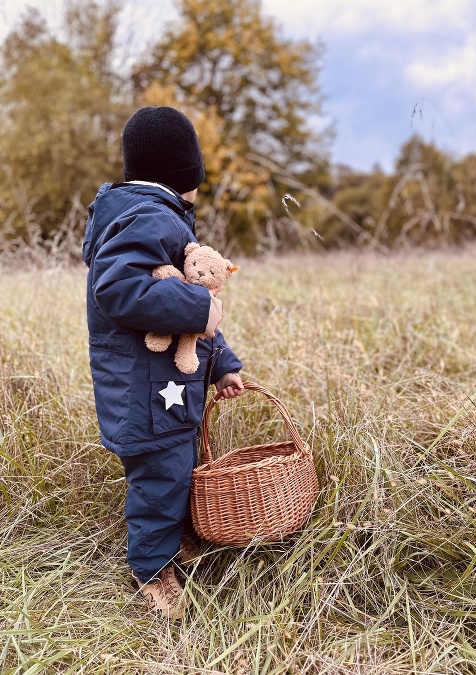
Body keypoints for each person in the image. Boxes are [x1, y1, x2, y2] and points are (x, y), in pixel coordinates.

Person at [82, 106, 244, 618]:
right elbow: (117, 288)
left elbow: (190, 321)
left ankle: (171, 539)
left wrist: (222, 363)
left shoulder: (155, 217)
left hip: (165, 388)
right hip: (144, 393)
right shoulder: (151, 218)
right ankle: (151, 569)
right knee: (160, 477)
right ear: (185, 176)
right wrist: (202, 308)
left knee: (179, 466)